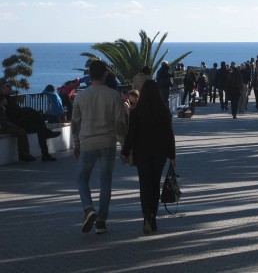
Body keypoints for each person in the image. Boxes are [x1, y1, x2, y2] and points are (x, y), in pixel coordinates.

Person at [72, 60, 127, 234]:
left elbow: (75, 122)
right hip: (108, 143)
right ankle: (101, 222)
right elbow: (120, 124)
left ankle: (88, 208)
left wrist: (76, 144)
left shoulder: (81, 96)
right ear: (105, 74)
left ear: (89, 73)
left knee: (82, 179)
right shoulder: (113, 95)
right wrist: (123, 146)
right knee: (106, 183)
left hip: (88, 143)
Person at [121, 79, 176, 235]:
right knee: (155, 184)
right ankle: (153, 216)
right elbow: (169, 135)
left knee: (144, 185)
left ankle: (146, 216)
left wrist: (125, 152)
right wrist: (172, 156)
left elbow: (130, 134)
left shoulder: (137, 111)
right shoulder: (164, 111)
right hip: (160, 154)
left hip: (142, 153)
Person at [0, 78, 59, 161]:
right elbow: (8, 116)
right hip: (15, 123)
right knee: (33, 113)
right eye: (7, 86)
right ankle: (27, 153)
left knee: (40, 127)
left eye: (10, 86)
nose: (10, 88)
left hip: (19, 120)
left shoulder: (9, 98)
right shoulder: (2, 99)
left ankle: (45, 155)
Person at [0, 93, 36, 162]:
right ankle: (23, 154)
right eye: (4, 99)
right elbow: (4, 122)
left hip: (5, 127)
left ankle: (26, 153)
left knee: (22, 132)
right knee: (20, 132)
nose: (6, 100)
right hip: (2, 128)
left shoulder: (3, 108)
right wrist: (15, 127)